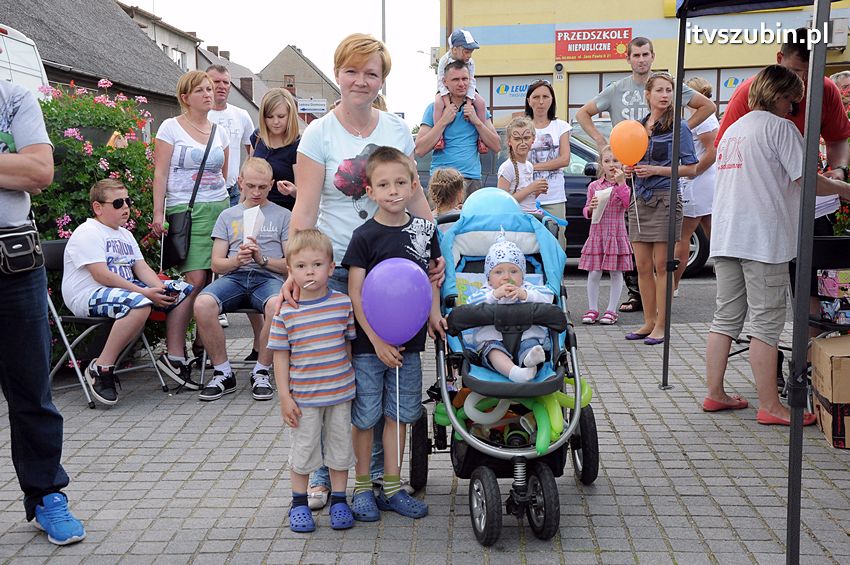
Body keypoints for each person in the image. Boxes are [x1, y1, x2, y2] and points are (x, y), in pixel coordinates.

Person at [287, 33, 436, 511]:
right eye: (352, 71)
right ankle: (323, 476)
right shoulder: (318, 134)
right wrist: (293, 269)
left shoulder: (395, 128)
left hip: (396, 275)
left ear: (381, 80)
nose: (360, 80)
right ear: (338, 73)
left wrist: (434, 244)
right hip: (335, 272)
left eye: (371, 73)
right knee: (332, 380)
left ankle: (374, 482)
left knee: (377, 382)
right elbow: (306, 206)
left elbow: (414, 193)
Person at [703, 65, 850, 425]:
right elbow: (809, 181)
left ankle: (715, 393)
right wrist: (844, 188)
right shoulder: (780, 129)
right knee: (766, 323)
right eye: (791, 101)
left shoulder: (733, 129)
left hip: (726, 236)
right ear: (778, 95)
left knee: (725, 318)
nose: (793, 108)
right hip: (762, 239)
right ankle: (770, 405)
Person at [0, 79, 85, 545]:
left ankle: (47, 495)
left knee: (32, 391)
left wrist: (25, 167)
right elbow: (22, 167)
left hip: (13, 261)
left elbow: (38, 171)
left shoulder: (12, 97)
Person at [575, 36, 716, 314]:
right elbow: (583, 114)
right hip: (628, 171)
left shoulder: (665, 86)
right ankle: (638, 296)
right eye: (636, 55)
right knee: (633, 240)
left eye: (645, 54)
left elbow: (707, 106)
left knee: (660, 250)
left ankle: (657, 304)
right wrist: (601, 143)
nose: (641, 60)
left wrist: (679, 130)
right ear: (628, 58)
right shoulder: (617, 89)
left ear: (653, 56)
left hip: (661, 177)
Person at [342, 146, 444, 521]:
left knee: (400, 415)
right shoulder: (364, 236)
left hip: (410, 344)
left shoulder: (425, 231)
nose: (393, 190)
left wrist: (434, 314)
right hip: (369, 346)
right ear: (370, 191)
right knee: (366, 416)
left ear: (414, 185)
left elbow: (431, 278)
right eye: (384, 185)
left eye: (401, 182)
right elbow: (356, 293)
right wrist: (376, 340)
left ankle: (391, 487)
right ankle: (362, 488)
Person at [61, 179, 193, 405]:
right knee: (139, 303)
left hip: (124, 291)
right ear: (97, 207)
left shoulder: (125, 234)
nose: (125, 207)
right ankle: (101, 367)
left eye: (127, 201)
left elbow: (141, 268)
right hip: (89, 294)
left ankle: (173, 358)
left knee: (182, 291)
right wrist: (145, 293)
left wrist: (159, 289)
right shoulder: (88, 232)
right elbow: (101, 275)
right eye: (118, 203)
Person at [716, 27, 850, 237]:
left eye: (811, 71)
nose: (803, 79)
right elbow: (726, 152)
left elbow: (837, 138)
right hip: (761, 207)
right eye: (796, 71)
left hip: (811, 202)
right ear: (779, 59)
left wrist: (839, 169)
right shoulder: (749, 93)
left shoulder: (826, 89)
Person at [269, 228, 357, 533]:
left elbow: (346, 345)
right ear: (290, 271)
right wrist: (284, 396)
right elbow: (280, 357)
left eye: (317, 265)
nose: (310, 272)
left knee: (340, 449)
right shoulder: (286, 312)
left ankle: (340, 501)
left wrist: (348, 379)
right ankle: (299, 503)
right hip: (303, 398)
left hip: (339, 394)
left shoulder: (343, 304)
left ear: (331, 268)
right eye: (302, 266)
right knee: (304, 450)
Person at [152, 70, 230, 390]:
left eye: (210, 89)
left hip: (219, 208)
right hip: (186, 210)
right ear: (185, 97)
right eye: (201, 90)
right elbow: (160, 173)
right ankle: (174, 353)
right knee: (194, 280)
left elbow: (224, 174)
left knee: (214, 279)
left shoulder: (220, 131)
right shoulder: (170, 127)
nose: (208, 94)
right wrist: (158, 213)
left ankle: (202, 345)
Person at [192, 158, 290, 401]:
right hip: (235, 277)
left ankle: (262, 371)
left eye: (263, 187)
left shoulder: (283, 215)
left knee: (277, 305)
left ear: (271, 185)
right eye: (251, 186)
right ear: (240, 182)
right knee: (202, 304)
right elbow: (216, 264)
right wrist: (237, 260)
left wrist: (262, 259)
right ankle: (223, 372)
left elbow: (290, 264)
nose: (256, 192)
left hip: (268, 278)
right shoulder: (228, 215)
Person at [624, 72, 697, 345]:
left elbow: (691, 168)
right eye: (659, 90)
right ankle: (649, 321)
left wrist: (656, 170)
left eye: (669, 90)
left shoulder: (679, 127)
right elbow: (630, 158)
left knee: (662, 266)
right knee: (642, 266)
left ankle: (662, 326)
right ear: (648, 94)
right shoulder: (638, 126)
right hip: (639, 198)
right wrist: (629, 169)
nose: (665, 95)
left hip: (665, 197)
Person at [467, 235, 554, 383]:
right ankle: (515, 373)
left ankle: (529, 363)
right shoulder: (486, 292)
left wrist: (525, 295)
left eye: (513, 271)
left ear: (523, 275)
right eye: (498, 272)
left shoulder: (527, 288)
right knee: (494, 351)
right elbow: (470, 306)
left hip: (527, 338)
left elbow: (549, 298)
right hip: (492, 340)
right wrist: (494, 296)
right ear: (488, 278)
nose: (506, 277)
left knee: (531, 346)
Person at [415, 59, 501, 196]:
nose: (461, 84)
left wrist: (477, 121)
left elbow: (496, 146)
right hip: (442, 181)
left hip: (472, 180)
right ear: (445, 82)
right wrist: (443, 121)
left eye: (465, 79)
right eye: (455, 79)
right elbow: (419, 150)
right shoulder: (434, 108)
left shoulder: (478, 109)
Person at [578, 146, 632, 326]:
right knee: (594, 272)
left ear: (622, 163)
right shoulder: (594, 186)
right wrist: (590, 208)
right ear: (601, 164)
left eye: (615, 160)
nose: (611, 164)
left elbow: (627, 204)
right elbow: (586, 210)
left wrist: (622, 183)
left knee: (616, 272)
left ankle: (611, 310)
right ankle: (592, 308)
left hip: (616, 233)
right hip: (598, 233)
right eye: (607, 161)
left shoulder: (625, 185)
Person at [673, 76, 718, 292]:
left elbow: (713, 151)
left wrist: (693, 172)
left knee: (682, 235)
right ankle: (727, 275)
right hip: (703, 182)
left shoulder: (704, 119)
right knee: (712, 230)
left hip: (698, 183)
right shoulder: (700, 117)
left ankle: (672, 285)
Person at [525, 79, 571, 248]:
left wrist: (532, 167)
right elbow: (515, 160)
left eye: (545, 96)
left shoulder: (561, 126)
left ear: (552, 100)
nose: (541, 101)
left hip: (554, 196)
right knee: (529, 242)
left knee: (557, 241)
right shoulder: (523, 126)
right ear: (529, 100)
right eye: (536, 97)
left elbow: (564, 159)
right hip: (526, 196)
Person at [432, 29, 488, 152]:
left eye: (471, 52)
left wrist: (469, 103)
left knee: (481, 103)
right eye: (466, 52)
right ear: (454, 49)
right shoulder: (444, 61)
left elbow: (471, 82)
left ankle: (481, 138)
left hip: (467, 90)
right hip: (445, 90)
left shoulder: (470, 63)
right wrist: (448, 105)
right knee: (438, 104)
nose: (469, 56)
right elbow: (441, 83)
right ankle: (439, 137)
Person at [206, 65, 254, 207]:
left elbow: (253, 153)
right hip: (204, 194)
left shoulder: (242, 115)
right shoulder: (199, 115)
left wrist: (245, 178)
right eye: (216, 82)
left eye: (226, 82)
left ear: (230, 87)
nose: (222, 86)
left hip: (233, 193)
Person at [250, 88, 300, 211]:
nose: (276, 122)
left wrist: (292, 191)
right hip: (256, 211)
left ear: (290, 115)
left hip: (285, 213)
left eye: (281, 116)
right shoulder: (257, 137)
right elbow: (248, 176)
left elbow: (304, 194)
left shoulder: (298, 145)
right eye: (270, 116)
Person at [497, 116, 548, 215]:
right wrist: (530, 188)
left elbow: (526, 201)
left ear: (533, 139)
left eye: (526, 138)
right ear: (509, 141)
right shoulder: (507, 168)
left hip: (531, 214)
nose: (522, 143)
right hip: (517, 218)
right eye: (517, 139)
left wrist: (537, 191)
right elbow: (503, 203)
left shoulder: (529, 166)